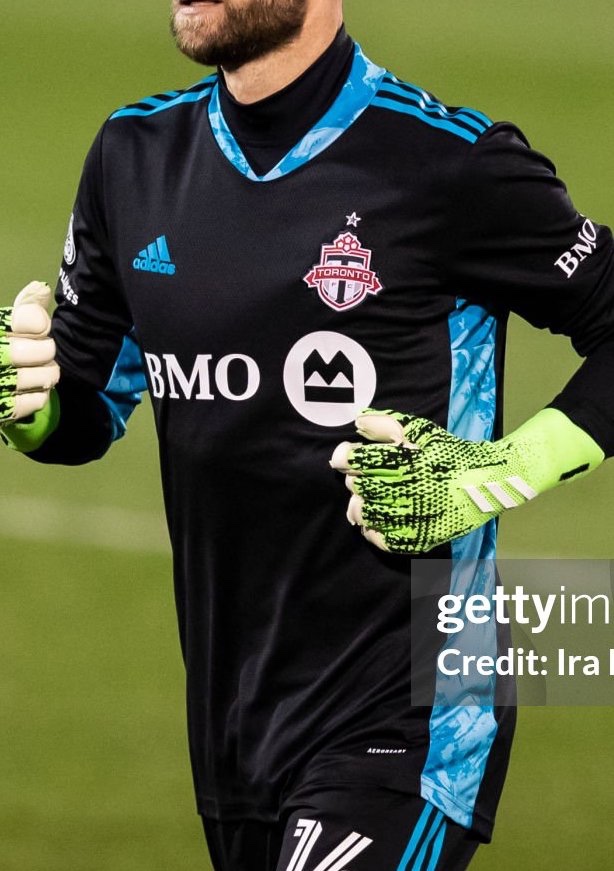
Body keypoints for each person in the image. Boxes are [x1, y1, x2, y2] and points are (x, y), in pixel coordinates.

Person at [1, 1, 613, 868]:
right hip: (233, 713)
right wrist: (32, 406)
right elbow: (87, 405)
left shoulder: (445, 163)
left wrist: (501, 470)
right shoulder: (134, 158)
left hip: (415, 706)